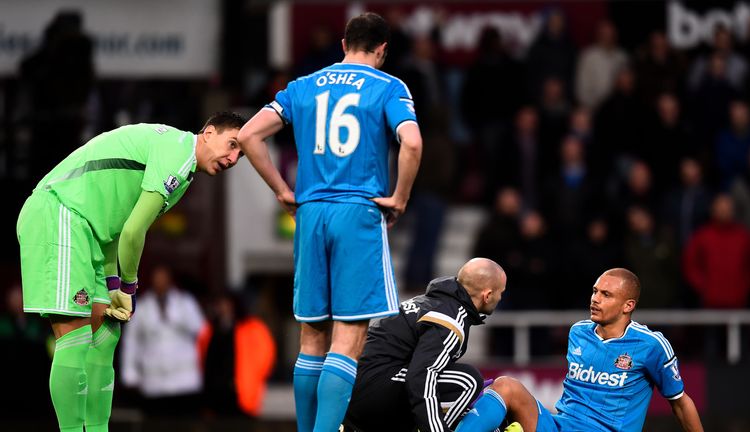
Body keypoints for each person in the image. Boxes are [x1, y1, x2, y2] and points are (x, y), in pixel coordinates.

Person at [237, 12, 422, 432]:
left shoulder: (302, 86)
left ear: (343, 44)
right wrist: (400, 197)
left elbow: (249, 135)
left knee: (311, 338)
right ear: (382, 50)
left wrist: (283, 191)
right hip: (356, 212)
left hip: (311, 214)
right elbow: (411, 141)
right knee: (349, 337)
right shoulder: (388, 86)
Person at [16, 112, 247, 432]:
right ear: (207, 133)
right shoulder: (179, 153)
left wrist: (113, 282)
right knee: (76, 336)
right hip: (62, 212)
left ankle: (97, 429)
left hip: (93, 232)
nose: (234, 157)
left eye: (241, 154)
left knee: (107, 335)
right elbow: (133, 231)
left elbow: (118, 224)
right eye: (232, 144)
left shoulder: (183, 167)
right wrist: (128, 287)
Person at [456, 268, 704, 432]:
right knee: (506, 386)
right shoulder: (579, 331)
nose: (595, 299)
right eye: (595, 291)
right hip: (560, 426)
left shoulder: (651, 345)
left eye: (606, 295)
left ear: (628, 305)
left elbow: (680, 403)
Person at [343, 258, 507, 432]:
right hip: (372, 392)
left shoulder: (434, 302)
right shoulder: (452, 320)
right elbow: (421, 376)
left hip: (356, 390)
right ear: (487, 295)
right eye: (501, 293)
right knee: (468, 380)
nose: (500, 297)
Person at [120, 265, 205, 418]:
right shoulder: (143, 306)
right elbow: (131, 342)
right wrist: (130, 373)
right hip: (154, 382)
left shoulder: (184, 302)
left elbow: (201, 330)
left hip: (184, 382)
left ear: (169, 280)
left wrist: (175, 315)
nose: (160, 282)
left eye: (163, 278)